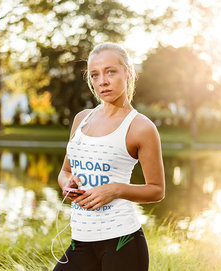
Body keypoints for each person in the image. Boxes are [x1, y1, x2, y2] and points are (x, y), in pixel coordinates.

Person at [53, 42, 165, 271]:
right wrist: (68, 185)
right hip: (81, 240)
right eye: (95, 75)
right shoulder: (81, 119)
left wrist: (115, 189)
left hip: (123, 243)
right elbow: (65, 172)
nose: (102, 81)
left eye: (110, 72)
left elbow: (157, 190)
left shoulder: (140, 127)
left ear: (128, 72)